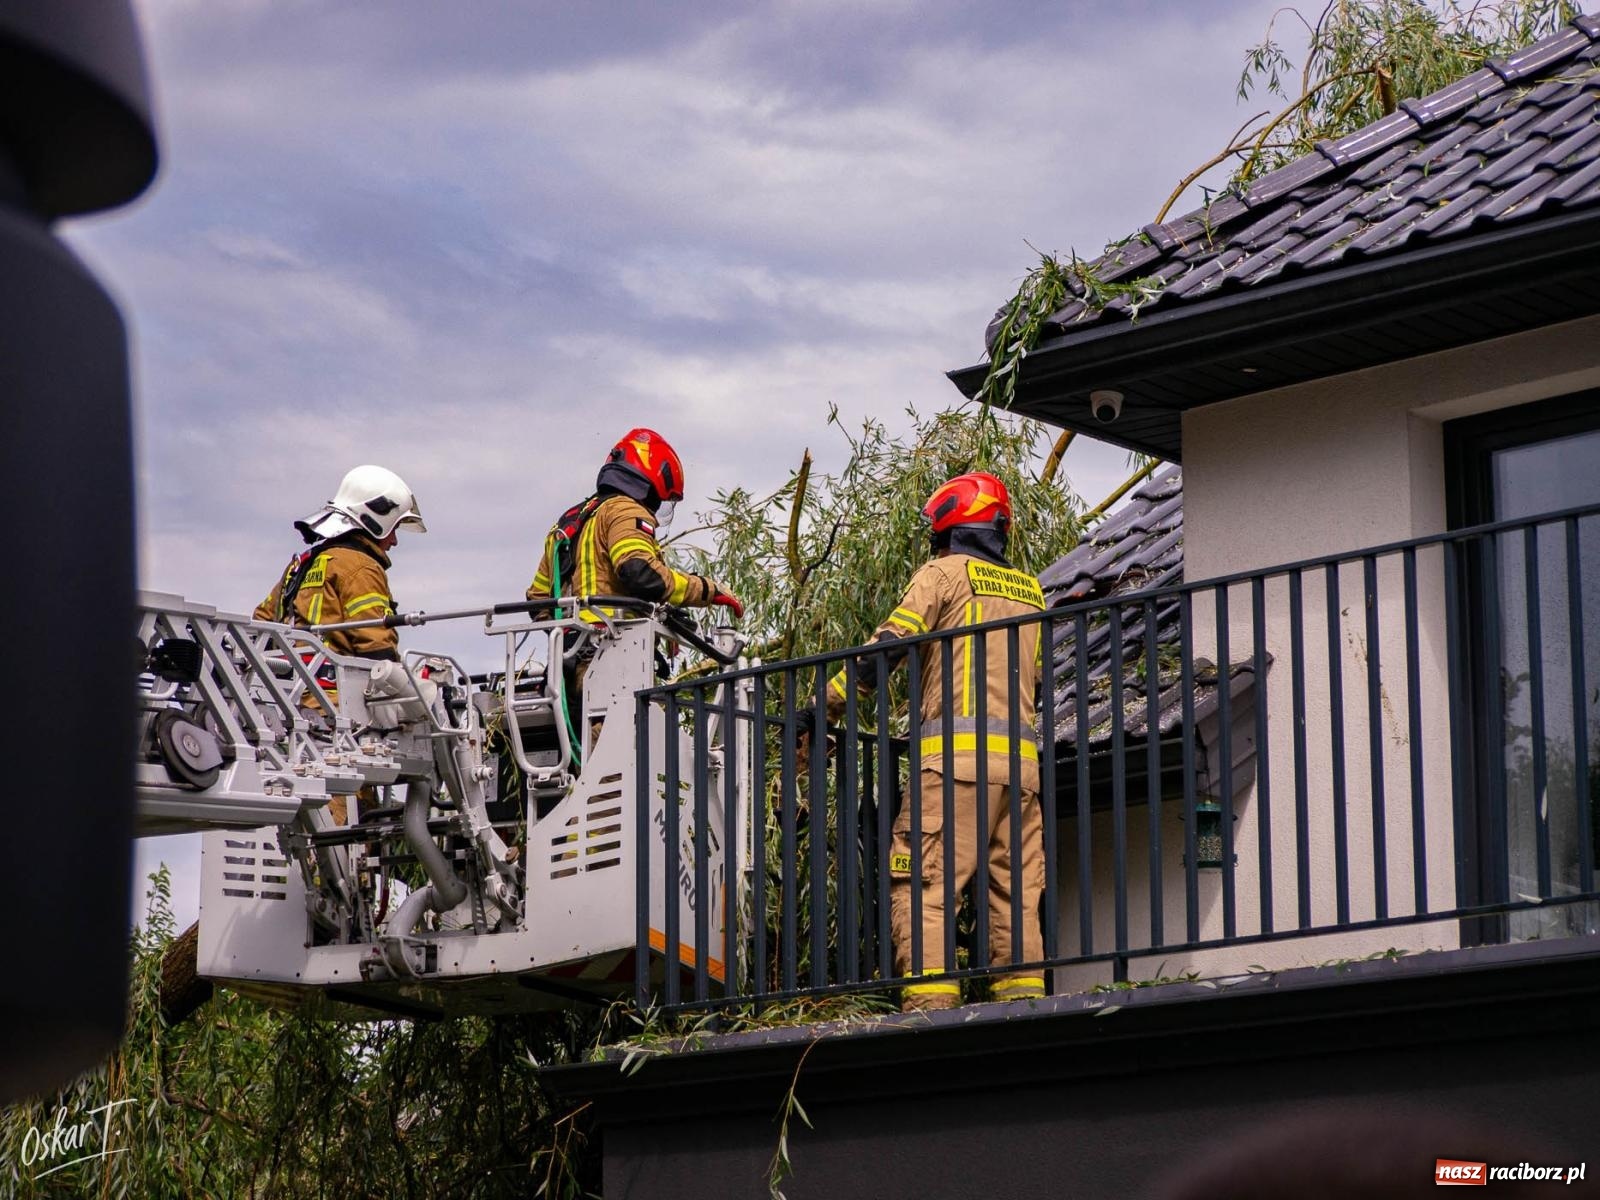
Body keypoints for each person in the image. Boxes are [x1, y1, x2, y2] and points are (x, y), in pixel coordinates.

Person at [809, 471, 1047, 1012]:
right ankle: (1025, 1004)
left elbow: (889, 648)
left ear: (948, 526)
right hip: (1022, 775)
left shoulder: (941, 576)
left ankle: (930, 1007)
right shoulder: (1031, 591)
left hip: (955, 768)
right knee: (1016, 894)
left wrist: (826, 702)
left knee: (924, 884)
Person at [255, 464, 426, 824]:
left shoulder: (304, 563)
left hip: (293, 711)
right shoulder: (360, 567)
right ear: (375, 520)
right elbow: (376, 646)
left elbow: (261, 625)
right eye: (394, 529)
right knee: (343, 822)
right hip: (338, 717)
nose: (394, 541)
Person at [526, 428, 742, 621]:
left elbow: (537, 599)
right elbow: (641, 573)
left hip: (571, 659)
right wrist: (708, 590)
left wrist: (566, 641)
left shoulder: (568, 523)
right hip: (615, 650)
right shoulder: (626, 511)